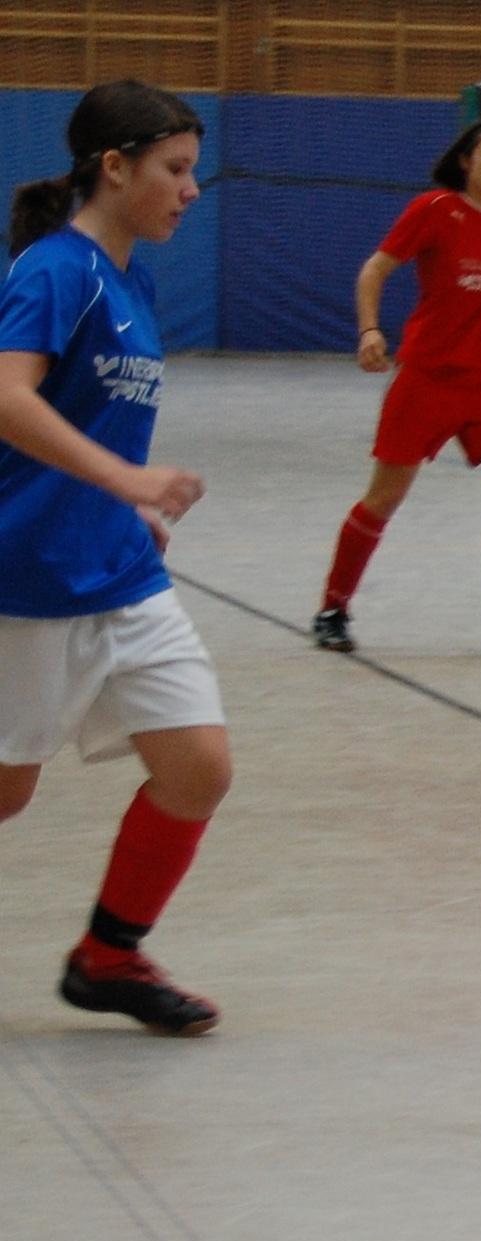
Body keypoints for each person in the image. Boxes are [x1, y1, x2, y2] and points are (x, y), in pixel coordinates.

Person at [1, 80, 228, 1036]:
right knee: (8, 791)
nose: (190, 190)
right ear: (115, 166)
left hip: (120, 575)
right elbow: (10, 397)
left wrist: (123, 508)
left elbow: (95, 426)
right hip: (29, 574)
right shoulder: (58, 269)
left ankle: (108, 955)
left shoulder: (130, 281)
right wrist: (129, 483)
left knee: (198, 766)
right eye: (175, 170)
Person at [311, 119, 481, 658]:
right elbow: (374, 269)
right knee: (385, 496)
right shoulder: (435, 210)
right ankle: (333, 609)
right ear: (466, 161)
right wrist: (369, 330)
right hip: (428, 377)